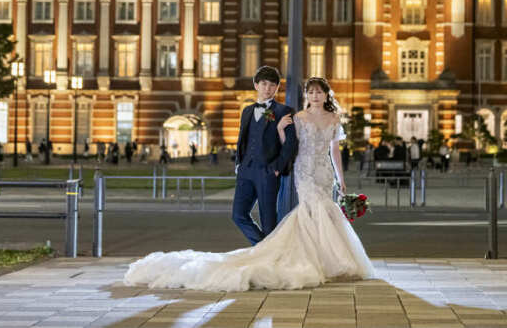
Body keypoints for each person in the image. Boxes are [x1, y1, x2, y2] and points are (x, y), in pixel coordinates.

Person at [124, 75, 374, 292]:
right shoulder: (298, 117)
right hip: (304, 170)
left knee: (325, 210)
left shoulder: (333, 118)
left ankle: (326, 259)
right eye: (311, 92)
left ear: (326, 94)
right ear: (307, 95)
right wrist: (278, 131)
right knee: (312, 210)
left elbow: (335, 150)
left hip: (323, 171)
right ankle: (312, 259)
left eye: (319, 92)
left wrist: (341, 179)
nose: (315, 95)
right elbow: (289, 144)